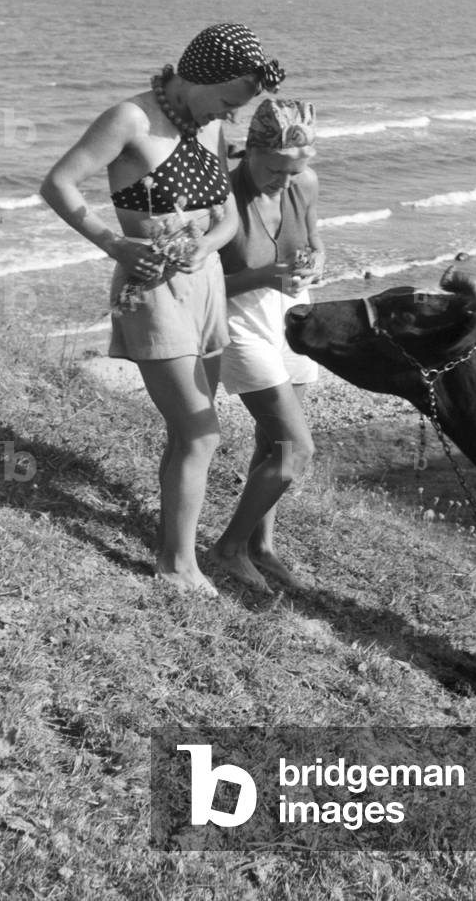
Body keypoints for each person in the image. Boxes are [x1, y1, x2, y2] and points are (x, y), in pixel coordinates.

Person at [40, 23, 286, 596]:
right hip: (151, 291)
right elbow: (58, 184)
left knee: (187, 433)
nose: (228, 115)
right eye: (227, 101)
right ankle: (176, 567)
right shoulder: (129, 119)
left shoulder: (213, 127)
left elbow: (226, 213)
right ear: (199, 76)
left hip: (206, 289)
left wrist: (208, 242)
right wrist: (114, 243)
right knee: (201, 432)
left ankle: (177, 552)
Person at [211, 99, 324, 593]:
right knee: (296, 449)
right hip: (239, 323)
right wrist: (262, 275)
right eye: (276, 169)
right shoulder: (221, 195)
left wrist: (315, 264)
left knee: (271, 442)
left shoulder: (305, 183)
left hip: (292, 316)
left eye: (293, 171)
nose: (285, 181)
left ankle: (262, 547)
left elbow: (315, 242)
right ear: (250, 152)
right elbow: (203, 283)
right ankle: (227, 549)